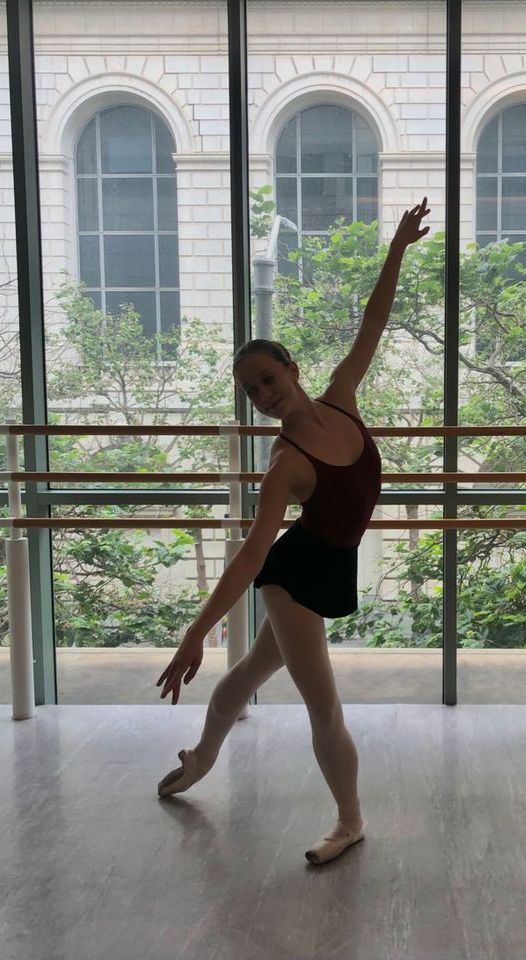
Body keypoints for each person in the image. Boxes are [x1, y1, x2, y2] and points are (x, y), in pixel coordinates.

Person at [156, 198, 430, 865]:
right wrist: (196, 631)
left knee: (252, 670)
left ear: (293, 369)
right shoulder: (285, 464)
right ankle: (350, 819)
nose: (264, 394)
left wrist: (396, 248)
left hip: (329, 565)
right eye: (252, 390)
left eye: (268, 378)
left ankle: (200, 757)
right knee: (324, 704)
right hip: (293, 579)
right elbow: (253, 555)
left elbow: (374, 321)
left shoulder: (343, 393)